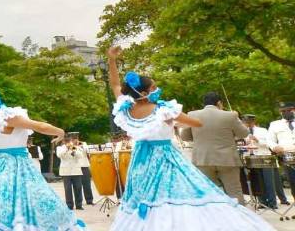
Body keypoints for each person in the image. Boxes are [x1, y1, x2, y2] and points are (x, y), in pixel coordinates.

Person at [105, 45, 273, 230]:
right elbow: (196, 123)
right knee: (182, 193)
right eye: (153, 87)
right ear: (144, 93)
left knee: (146, 196)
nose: (157, 89)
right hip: (165, 158)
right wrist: (175, 121)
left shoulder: (125, 109)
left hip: (140, 161)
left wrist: (111, 59)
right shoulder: (163, 109)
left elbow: (115, 85)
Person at [0, 47, 83, 231]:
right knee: (26, 205)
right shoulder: (5, 115)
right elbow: (39, 126)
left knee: (1, 207)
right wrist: (60, 131)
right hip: (15, 165)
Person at [178, 91, 250, 203]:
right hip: (227, 160)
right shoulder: (230, 115)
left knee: (207, 193)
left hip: (203, 159)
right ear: (219, 103)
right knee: (234, 192)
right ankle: (239, 213)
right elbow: (244, 134)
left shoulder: (192, 115)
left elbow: (184, 136)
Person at [243, 114, 281, 209]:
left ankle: (272, 203)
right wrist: (246, 143)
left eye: (249, 121)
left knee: (268, 181)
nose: (248, 123)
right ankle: (262, 202)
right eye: (246, 121)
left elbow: (269, 143)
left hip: (264, 157)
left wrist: (257, 140)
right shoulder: (243, 131)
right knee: (257, 181)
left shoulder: (262, 130)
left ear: (254, 121)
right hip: (251, 159)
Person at [267, 101, 295, 206]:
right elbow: (269, 140)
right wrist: (275, 147)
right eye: (283, 111)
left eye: (289, 110)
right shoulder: (275, 124)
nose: (286, 112)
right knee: (293, 182)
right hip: (287, 157)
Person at [55, 135, 86, 211]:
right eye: (66, 141)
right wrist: (66, 148)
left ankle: (79, 205)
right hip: (66, 171)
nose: (68, 142)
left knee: (78, 188)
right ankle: (69, 205)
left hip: (76, 170)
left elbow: (80, 156)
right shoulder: (60, 148)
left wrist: (73, 149)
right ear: (63, 142)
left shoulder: (75, 147)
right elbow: (59, 155)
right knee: (68, 189)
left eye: (69, 141)